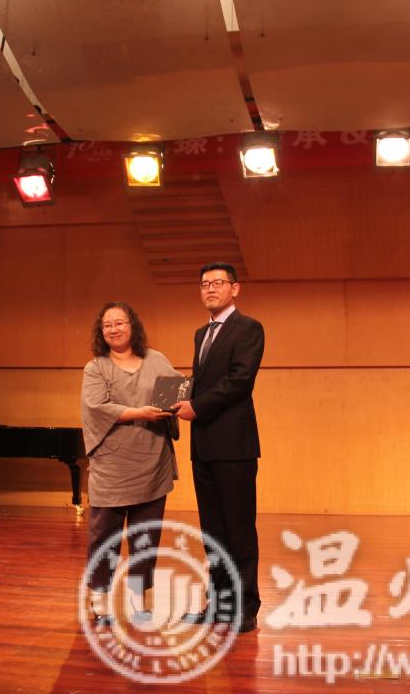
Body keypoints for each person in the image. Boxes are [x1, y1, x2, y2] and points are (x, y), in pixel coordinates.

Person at [173, 262, 265, 633]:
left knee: (238, 529)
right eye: (204, 284)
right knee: (212, 531)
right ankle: (220, 603)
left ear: (235, 288)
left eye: (218, 283)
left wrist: (196, 406)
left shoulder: (249, 328)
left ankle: (246, 607)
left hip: (234, 445)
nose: (210, 289)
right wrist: (176, 395)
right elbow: (204, 379)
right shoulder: (201, 333)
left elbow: (239, 381)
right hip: (204, 446)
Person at [80, 301, 180, 626]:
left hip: (152, 463)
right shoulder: (96, 367)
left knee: (145, 538)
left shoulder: (157, 360)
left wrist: (177, 402)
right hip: (111, 466)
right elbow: (96, 407)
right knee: (104, 536)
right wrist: (139, 413)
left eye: (120, 323)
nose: (114, 329)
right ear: (101, 332)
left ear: (132, 325)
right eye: (107, 325)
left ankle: (140, 600)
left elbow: (176, 392)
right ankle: (100, 601)